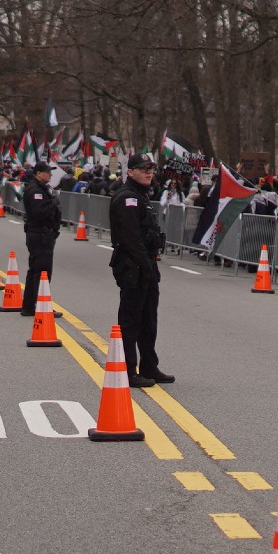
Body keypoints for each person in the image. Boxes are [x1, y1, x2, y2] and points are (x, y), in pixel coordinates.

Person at [110, 156, 171, 386]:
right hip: (132, 266)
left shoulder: (141, 195)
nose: (149, 173)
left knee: (149, 320)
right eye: (143, 169)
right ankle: (128, 370)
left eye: (151, 169)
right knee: (131, 320)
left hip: (146, 264)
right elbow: (131, 238)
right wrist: (146, 265)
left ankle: (149, 366)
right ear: (131, 171)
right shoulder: (127, 198)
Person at [20, 162, 61, 314]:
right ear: (38, 173)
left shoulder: (41, 188)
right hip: (39, 234)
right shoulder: (35, 190)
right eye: (47, 172)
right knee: (41, 272)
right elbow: (39, 213)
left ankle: (30, 305)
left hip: (43, 234)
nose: (50, 174)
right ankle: (40, 306)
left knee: (37, 271)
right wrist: (53, 203)